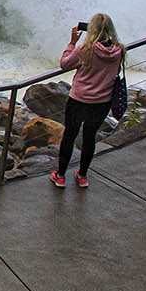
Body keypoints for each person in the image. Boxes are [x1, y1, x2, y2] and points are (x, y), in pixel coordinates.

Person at [51, 12, 124, 189]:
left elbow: (65, 64)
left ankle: (60, 176)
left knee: (70, 135)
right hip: (102, 102)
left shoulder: (85, 49)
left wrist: (71, 43)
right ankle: (82, 176)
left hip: (79, 100)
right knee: (90, 137)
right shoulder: (120, 50)